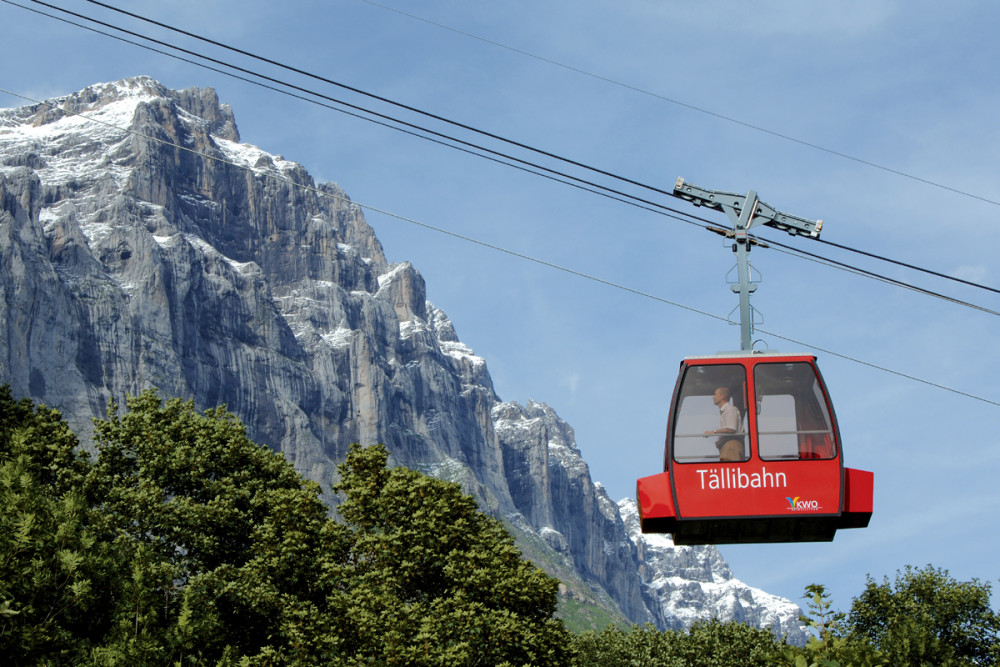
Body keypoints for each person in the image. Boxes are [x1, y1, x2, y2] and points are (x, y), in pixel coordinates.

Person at [704, 386, 745, 462]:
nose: (713, 397)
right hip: (727, 447)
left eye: (715, 394)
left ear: (722, 396)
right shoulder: (726, 411)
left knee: (731, 470)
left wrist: (713, 432)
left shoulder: (730, 409)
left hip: (731, 447)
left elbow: (731, 428)